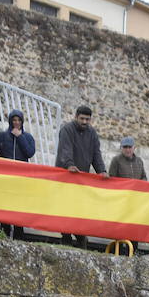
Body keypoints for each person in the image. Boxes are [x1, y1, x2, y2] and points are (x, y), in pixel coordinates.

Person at [55, 105, 108, 247]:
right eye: (82, 119)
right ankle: (66, 239)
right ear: (76, 117)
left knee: (80, 210)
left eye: (87, 119)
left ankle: (81, 238)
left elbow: (96, 154)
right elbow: (65, 150)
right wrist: (69, 165)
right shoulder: (67, 130)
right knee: (66, 209)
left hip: (82, 179)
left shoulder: (92, 134)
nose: (84, 122)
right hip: (66, 177)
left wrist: (101, 170)